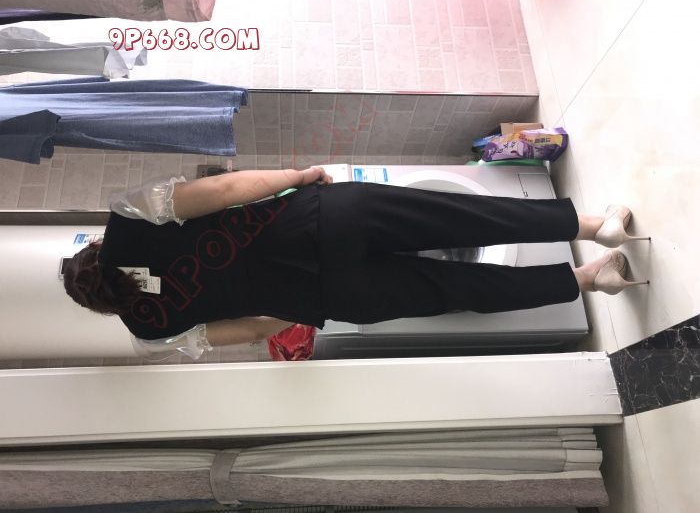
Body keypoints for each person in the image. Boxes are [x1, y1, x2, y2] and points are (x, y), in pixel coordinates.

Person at [63, 167, 650, 359]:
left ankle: (589, 279)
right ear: (94, 251)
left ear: (101, 304)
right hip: (323, 221)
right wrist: (298, 176)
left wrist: (296, 302)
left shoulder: (149, 331)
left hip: (333, 297)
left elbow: (252, 329)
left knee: (459, 289)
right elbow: (223, 192)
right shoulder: (127, 217)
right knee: (466, 219)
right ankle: (596, 227)